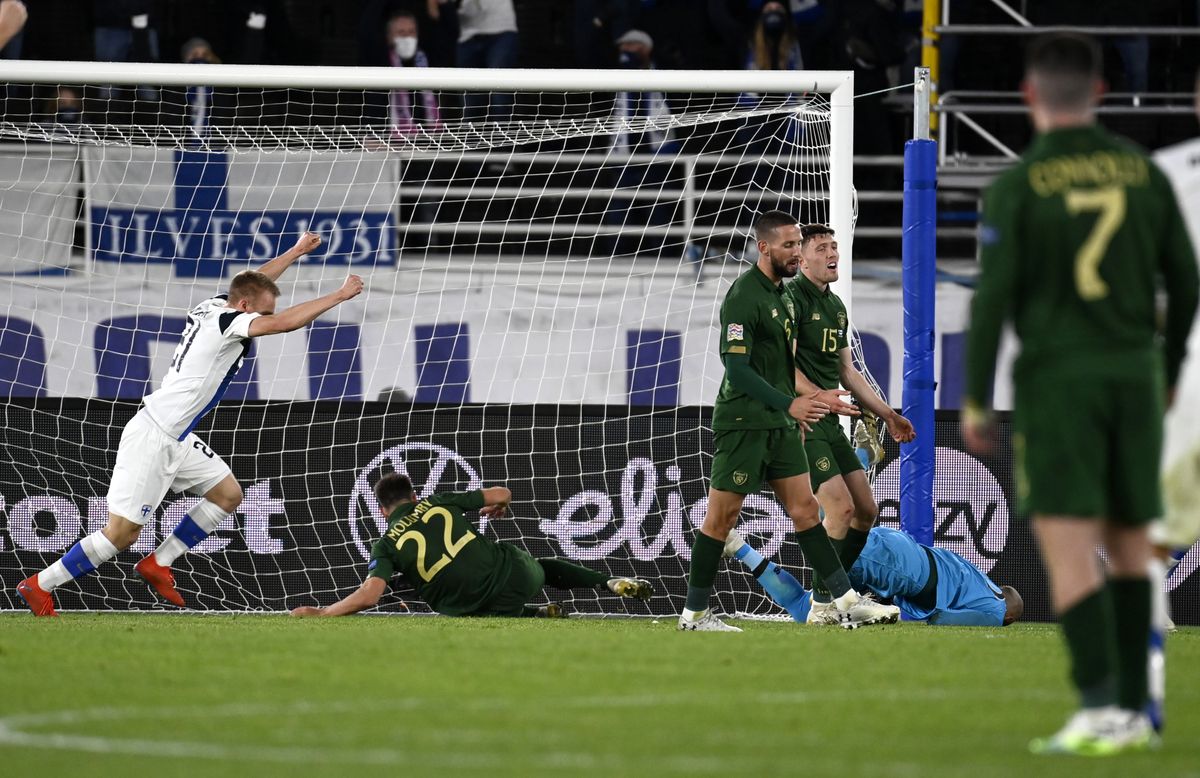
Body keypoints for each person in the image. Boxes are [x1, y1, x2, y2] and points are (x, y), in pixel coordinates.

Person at [961, 34, 1199, 755]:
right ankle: (1135, 704)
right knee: (1132, 549)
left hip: (1059, 385)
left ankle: (1100, 710)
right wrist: (1167, 366)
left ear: (1031, 96)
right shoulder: (1142, 174)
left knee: (1072, 558)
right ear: (1100, 92)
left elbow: (993, 300)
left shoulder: (1019, 182)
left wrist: (974, 398)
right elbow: (1185, 284)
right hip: (1134, 378)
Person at [16, 232, 365, 617]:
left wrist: (296, 252)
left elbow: (255, 282)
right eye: (259, 314)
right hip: (154, 436)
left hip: (176, 435)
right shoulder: (233, 321)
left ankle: (159, 563)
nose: (262, 321)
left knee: (228, 495)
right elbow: (282, 323)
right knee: (121, 535)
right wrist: (339, 295)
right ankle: (38, 585)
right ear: (245, 307)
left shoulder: (218, 304)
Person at [678, 209, 897, 631]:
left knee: (806, 512)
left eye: (799, 244)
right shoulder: (744, 295)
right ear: (764, 248)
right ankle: (695, 614)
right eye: (789, 245)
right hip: (744, 422)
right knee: (720, 520)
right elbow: (737, 368)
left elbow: (783, 364)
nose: (795, 252)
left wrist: (797, 408)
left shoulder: (782, 295)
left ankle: (843, 602)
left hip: (780, 424)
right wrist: (793, 403)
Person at [290, 473, 653, 617]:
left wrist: (322, 613)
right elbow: (503, 492)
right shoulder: (438, 502)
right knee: (540, 566)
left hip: (473, 606)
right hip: (519, 578)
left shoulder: (384, 544)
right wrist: (500, 505)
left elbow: (369, 596)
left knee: (413, 584)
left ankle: (537, 615)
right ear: (415, 496)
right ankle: (607, 582)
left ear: (383, 511)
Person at [788, 223, 915, 624]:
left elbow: (848, 370)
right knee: (839, 509)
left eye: (834, 246)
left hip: (830, 419)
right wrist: (817, 396)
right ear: (802, 258)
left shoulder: (836, 306)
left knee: (866, 510)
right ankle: (829, 603)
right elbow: (780, 365)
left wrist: (887, 413)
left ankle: (826, 598)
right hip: (803, 421)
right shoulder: (790, 299)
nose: (832, 254)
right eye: (822, 247)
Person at [724, 526, 1023, 627]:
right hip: (903, 568)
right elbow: (940, 619)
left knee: (807, 611)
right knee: (832, 534)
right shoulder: (997, 611)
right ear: (1009, 618)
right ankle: (860, 456)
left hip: (903, 551)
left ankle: (738, 546)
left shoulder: (980, 578)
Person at [384, 10, 441, 136]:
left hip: (430, 142)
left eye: (411, 32)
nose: (407, 37)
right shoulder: (380, 65)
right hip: (393, 143)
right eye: (401, 33)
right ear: (389, 37)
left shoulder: (429, 62)